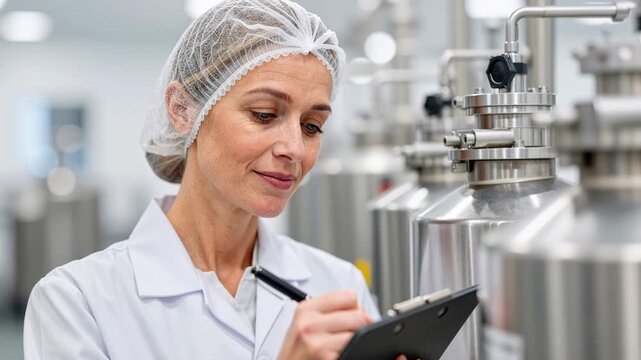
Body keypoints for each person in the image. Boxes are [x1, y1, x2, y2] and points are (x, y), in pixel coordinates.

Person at [23, 0, 385, 359]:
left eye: (311, 126)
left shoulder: (339, 284)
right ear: (182, 110)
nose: (295, 149)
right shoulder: (78, 302)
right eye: (263, 115)